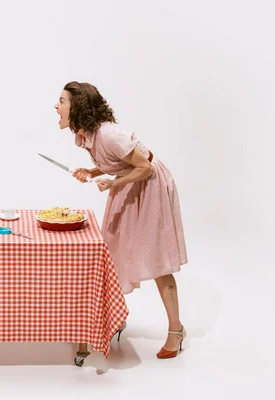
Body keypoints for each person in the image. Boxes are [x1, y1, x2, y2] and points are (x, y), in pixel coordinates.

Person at [54, 82, 188, 359]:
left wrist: (111, 184)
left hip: (150, 185)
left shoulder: (109, 134)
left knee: (156, 258)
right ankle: (115, 318)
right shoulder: (86, 134)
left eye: (62, 101)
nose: (56, 106)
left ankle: (176, 329)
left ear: (78, 106)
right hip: (129, 183)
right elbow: (114, 161)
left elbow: (146, 167)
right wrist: (91, 172)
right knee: (112, 251)